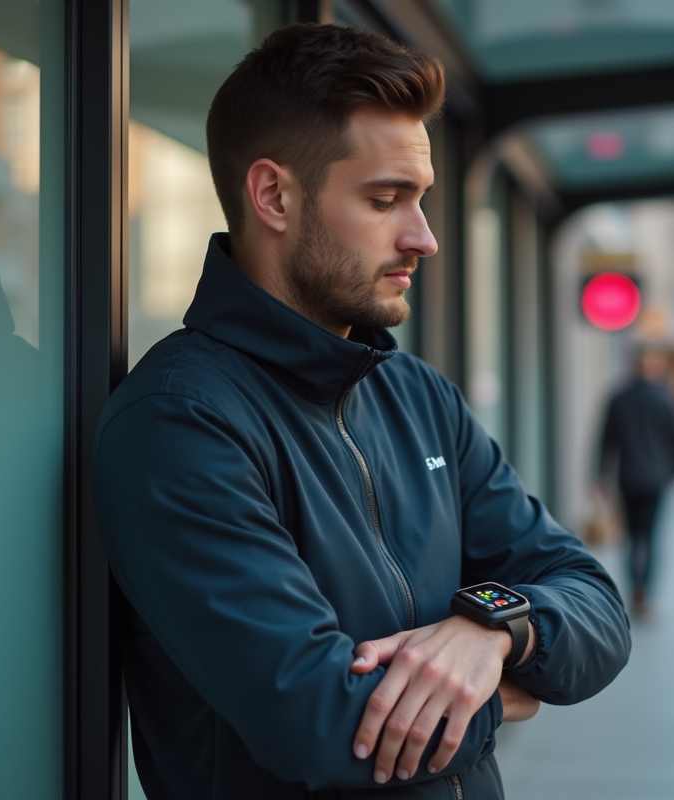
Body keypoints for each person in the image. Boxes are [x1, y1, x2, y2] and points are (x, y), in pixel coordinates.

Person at [92, 24, 631, 799]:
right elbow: (325, 725)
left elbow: (592, 598)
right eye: (386, 200)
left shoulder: (418, 397)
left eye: (422, 199)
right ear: (273, 195)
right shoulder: (180, 423)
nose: (425, 238)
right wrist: (512, 694)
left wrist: (496, 631)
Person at [597, 346, 674, 619]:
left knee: (631, 538)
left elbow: (605, 441)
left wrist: (601, 476)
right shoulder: (666, 399)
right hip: (656, 479)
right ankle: (644, 594)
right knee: (651, 538)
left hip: (628, 477)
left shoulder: (619, 398)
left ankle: (634, 589)